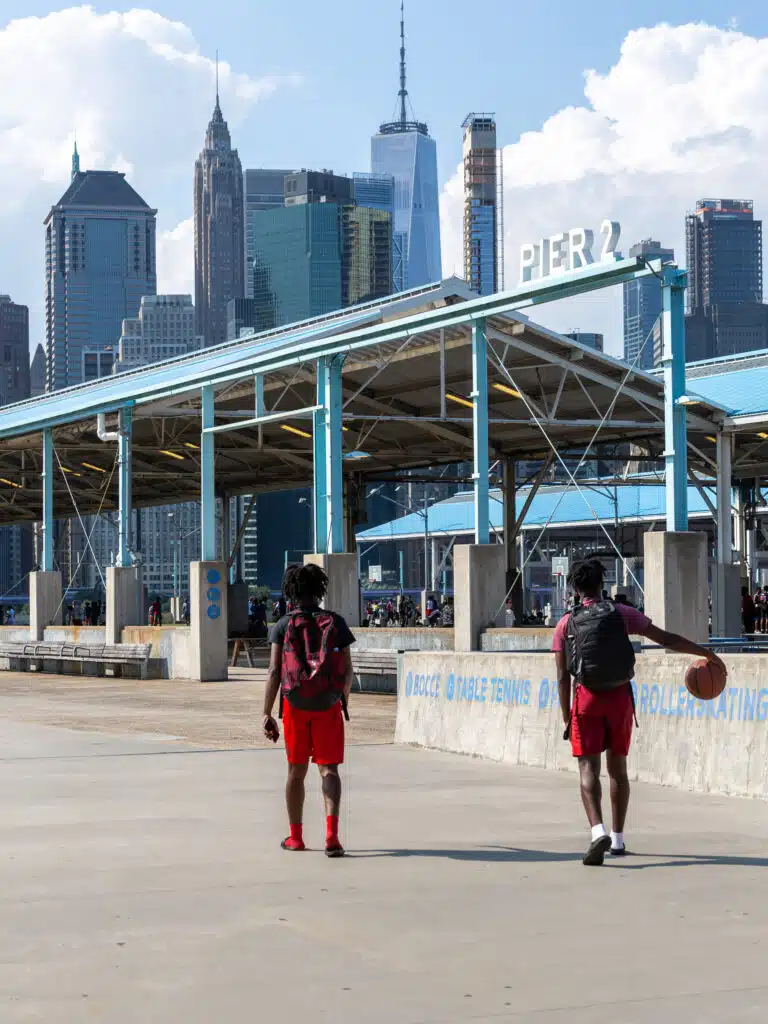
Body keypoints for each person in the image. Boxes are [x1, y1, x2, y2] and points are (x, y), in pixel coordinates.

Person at [553, 559, 725, 867]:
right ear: (601, 586)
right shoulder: (622, 614)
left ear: (575, 590)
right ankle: (617, 839)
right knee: (617, 768)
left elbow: (563, 676)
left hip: (587, 699)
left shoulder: (566, 624)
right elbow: (666, 638)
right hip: (619, 698)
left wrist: (567, 716)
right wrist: (705, 652)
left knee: (587, 769)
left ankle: (597, 832)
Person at [262, 563, 355, 857]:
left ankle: (296, 837)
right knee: (329, 769)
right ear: (319, 589)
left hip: (295, 705)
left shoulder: (283, 624)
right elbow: (349, 670)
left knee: (296, 771)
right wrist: (342, 700)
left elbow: (275, 671)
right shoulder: (336, 623)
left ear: (291, 591)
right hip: (328, 704)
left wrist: (266, 712)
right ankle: (331, 835)